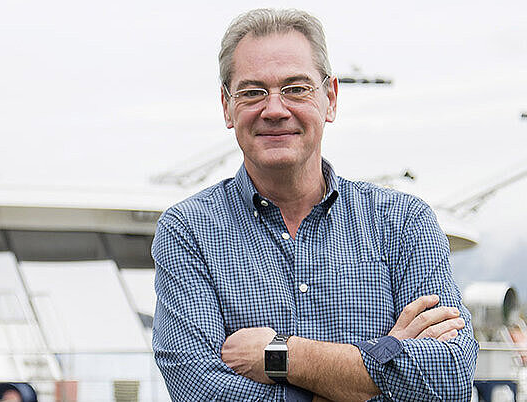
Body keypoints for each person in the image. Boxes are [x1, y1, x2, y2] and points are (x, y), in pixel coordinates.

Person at [152, 8, 478, 401]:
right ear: (226, 106)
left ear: (331, 99)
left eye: (296, 88)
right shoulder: (187, 230)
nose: (275, 109)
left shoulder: (403, 221)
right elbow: (199, 390)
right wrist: (377, 369)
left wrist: (283, 356)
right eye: (253, 92)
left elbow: (449, 379)